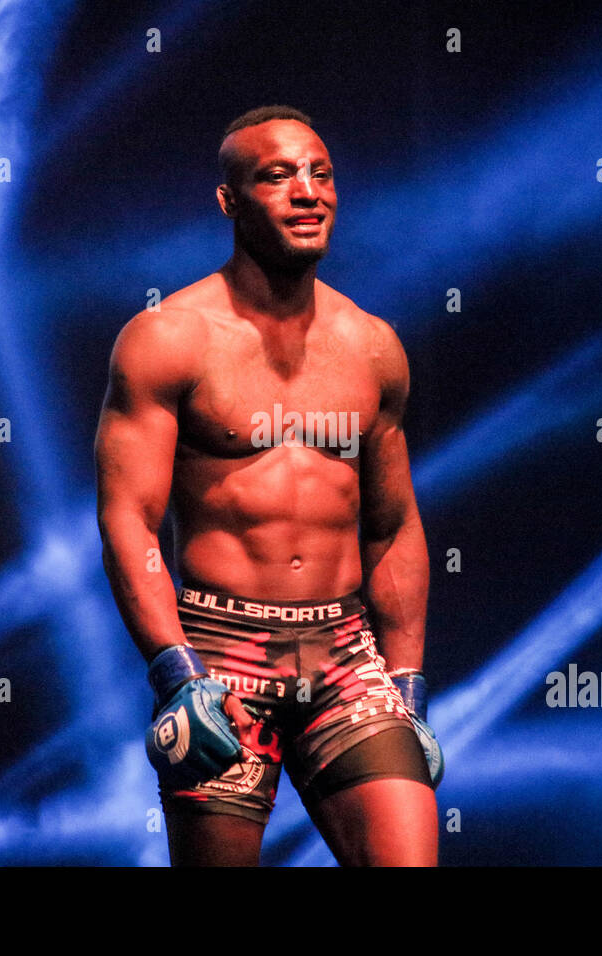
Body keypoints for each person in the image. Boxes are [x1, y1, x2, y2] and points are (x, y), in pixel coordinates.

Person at [94, 105, 443, 866]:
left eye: (320, 174)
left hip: (347, 658)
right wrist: (174, 670)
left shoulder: (373, 347)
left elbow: (392, 525)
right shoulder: (167, 337)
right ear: (229, 200)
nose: (307, 191)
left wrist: (408, 680)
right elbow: (129, 518)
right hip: (222, 655)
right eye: (278, 176)